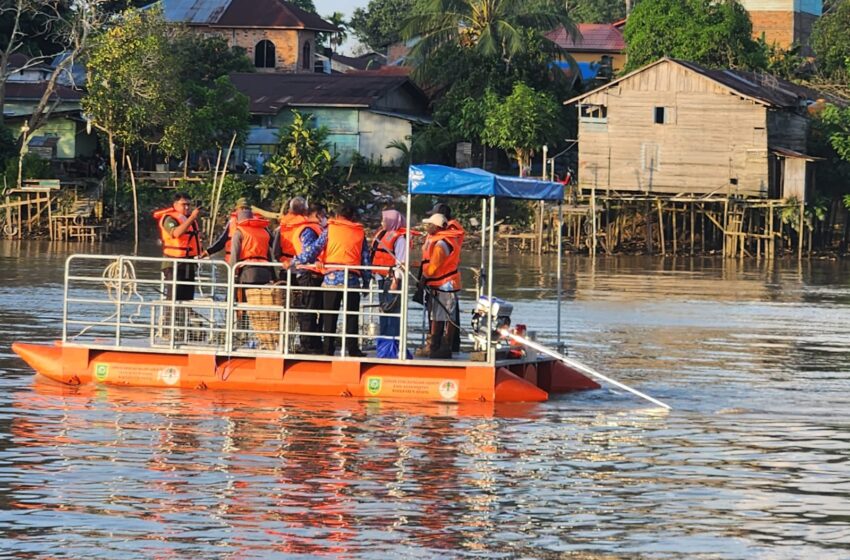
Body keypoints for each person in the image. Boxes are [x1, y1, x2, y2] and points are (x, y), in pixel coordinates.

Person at [317, 204, 371, 357]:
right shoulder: (359, 232)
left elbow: (315, 248)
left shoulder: (330, 229)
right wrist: (366, 282)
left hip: (332, 280)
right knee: (351, 316)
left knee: (330, 316)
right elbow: (365, 259)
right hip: (352, 280)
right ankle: (352, 349)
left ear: (338, 216)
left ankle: (328, 349)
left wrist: (298, 261)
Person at [229, 208, 276, 349]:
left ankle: (242, 335)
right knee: (261, 307)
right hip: (264, 272)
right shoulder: (264, 232)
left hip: (248, 273)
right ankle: (263, 338)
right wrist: (274, 276)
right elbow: (270, 255)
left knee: (242, 305)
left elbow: (234, 255)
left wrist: (232, 272)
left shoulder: (239, 232)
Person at [371, 208, 412, 358]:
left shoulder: (400, 239)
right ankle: (383, 346)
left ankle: (392, 347)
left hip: (392, 280)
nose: (382, 223)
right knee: (384, 312)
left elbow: (401, 261)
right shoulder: (383, 235)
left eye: (384, 220)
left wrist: (396, 280)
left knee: (392, 313)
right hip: (381, 279)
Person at [420, 213, 462, 359]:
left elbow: (435, 265)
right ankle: (435, 345)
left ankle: (442, 346)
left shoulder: (441, 243)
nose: (427, 227)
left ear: (436, 226)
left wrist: (424, 277)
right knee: (438, 315)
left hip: (446, 284)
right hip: (440, 283)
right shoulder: (442, 241)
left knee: (444, 316)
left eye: (429, 224)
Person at [287, 202, 327, 354]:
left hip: (315, 273)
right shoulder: (309, 230)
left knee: (316, 309)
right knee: (308, 309)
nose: (325, 218)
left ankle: (315, 342)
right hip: (307, 274)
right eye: (323, 215)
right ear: (317, 215)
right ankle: (306, 343)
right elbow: (308, 252)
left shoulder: (316, 229)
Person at [153, 192, 202, 301]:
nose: (187, 207)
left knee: (188, 298)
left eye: (189, 205)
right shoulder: (169, 219)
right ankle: (170, 317)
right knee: (174, 297)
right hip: (173, 264)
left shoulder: (188, 219)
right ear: (175, 205)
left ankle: (184, 317)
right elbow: (176, 233)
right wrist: (192, 217)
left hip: (188, 263)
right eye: (183, 204)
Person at [271, 196, 309, 279]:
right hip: (302, 267)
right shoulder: (307, 227)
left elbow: (275, 251)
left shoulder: (281, 227)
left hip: (285, 266)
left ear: (290, 209)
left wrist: (283, 260)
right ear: (305, 210)